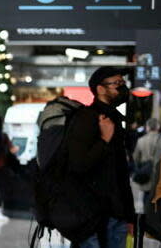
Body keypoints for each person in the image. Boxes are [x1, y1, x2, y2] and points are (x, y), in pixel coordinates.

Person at [67, 66, 135, 248]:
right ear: (100, 89)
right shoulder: (86, 118)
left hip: (116, 215)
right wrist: (104, 140)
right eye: (117, 84)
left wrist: (129, 216)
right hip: (91, 218)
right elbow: (78, 165)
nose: (122, 88)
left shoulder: (114, 119)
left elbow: (121, 172)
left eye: (123, 83)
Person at [133, 118, 161, 207]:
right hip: (160, 174)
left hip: (146, 173)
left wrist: (141, 165)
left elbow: (136, 158)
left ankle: (146, 216)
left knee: (146, 196)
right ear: (158, 128)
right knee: (158, 197)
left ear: (147, 128)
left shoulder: (141, 140)